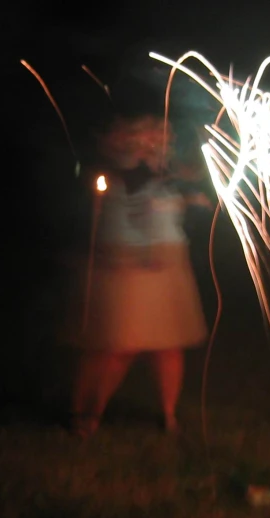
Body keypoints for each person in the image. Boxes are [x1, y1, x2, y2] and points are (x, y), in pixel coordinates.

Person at [69, 115, 211, 438]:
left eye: (164, 133)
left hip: (167, 258)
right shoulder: (117, 164)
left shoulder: (169, 169)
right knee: (116, 345)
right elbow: (123, 183)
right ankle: (87, 412)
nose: (160, 138)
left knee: (168, 346)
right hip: (125, 259)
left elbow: (192, 176)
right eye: (151, 132)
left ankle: (169, 415)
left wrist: (194, 184)